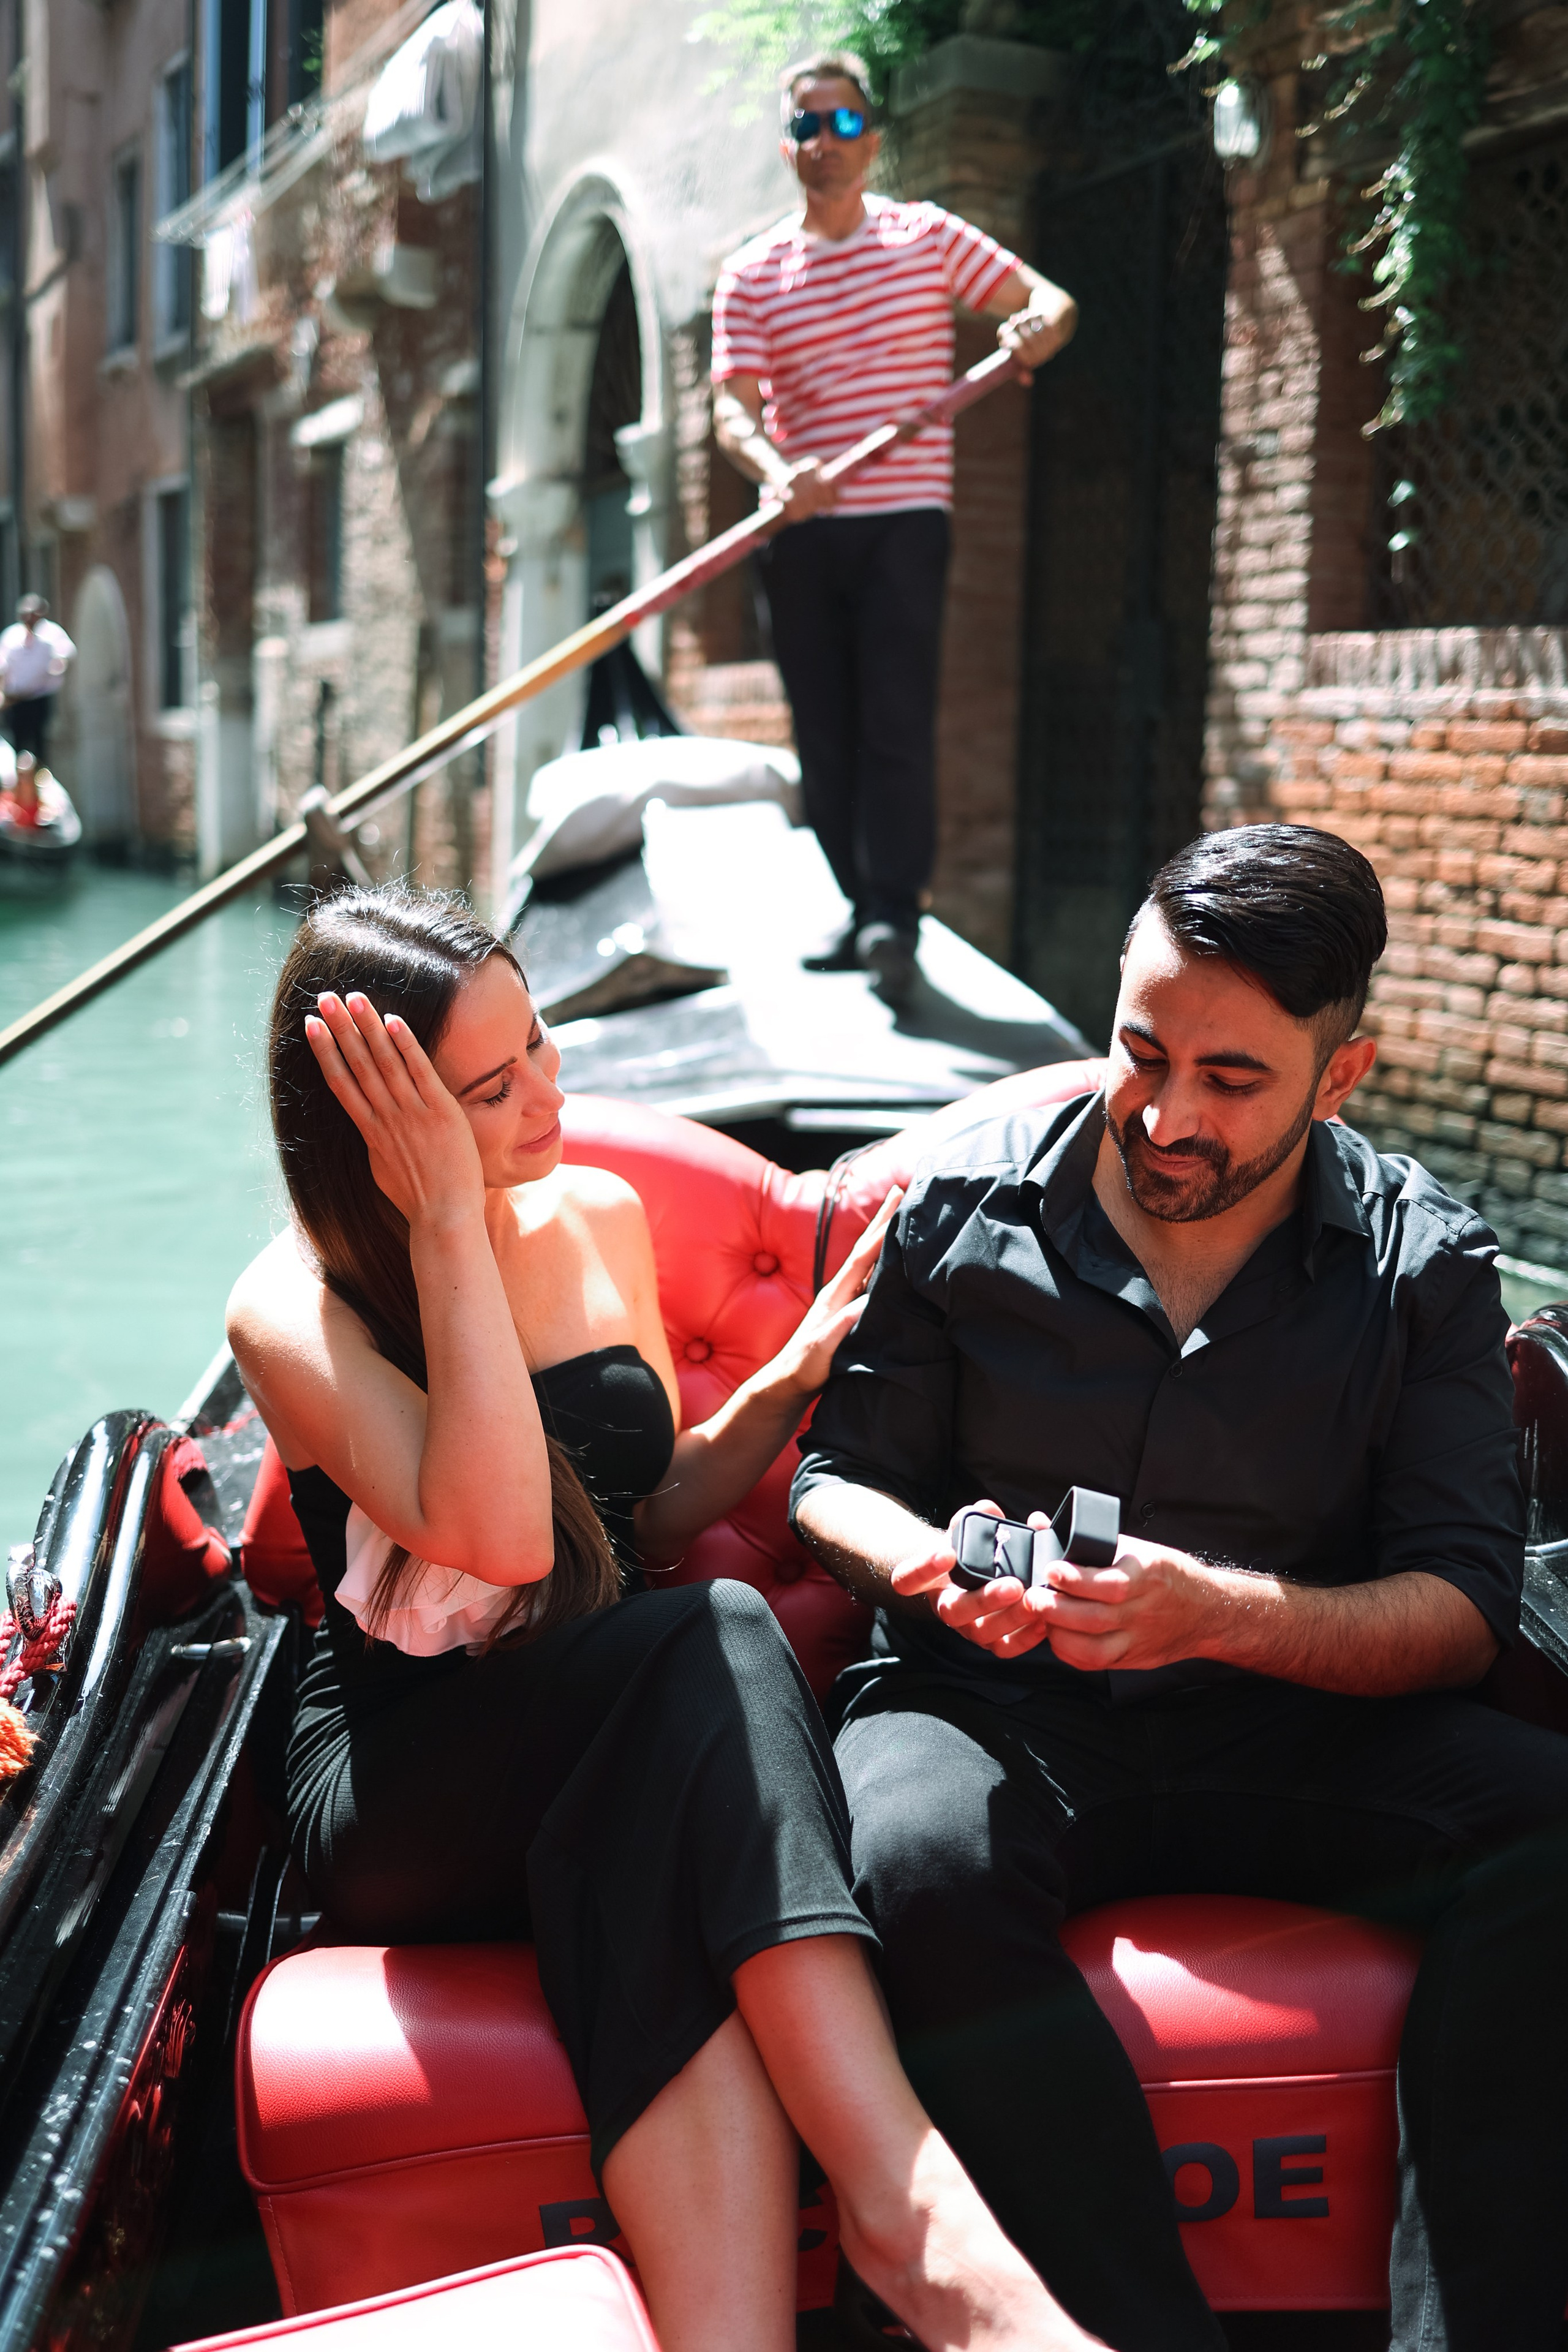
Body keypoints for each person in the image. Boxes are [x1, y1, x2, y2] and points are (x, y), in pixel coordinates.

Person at [225, 883, 1109, 2352]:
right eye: (490, 1087)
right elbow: (503, 1534)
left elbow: (651, 1510)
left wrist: (788, 1378)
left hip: (611, 1727)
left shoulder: (602, 1214)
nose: (550, 1092)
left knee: (675, 1735)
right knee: (714, 1638)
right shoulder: (293, 1304)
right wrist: (449, 1218)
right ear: (384, 1123)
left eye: (544, 1046)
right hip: (407, 1774)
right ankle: (911, 2222)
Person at [791, 823, 1568, 2352]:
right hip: (992, 1697)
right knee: (911, 1858)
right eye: (1138, 1050)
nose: (1161, 1115)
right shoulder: (955, 1207)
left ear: (1337, 1077)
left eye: (1229, 1081)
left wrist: (1214, 1611)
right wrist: (925, 1567)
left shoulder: (1426, 1268)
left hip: (1287, 1719)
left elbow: (1460, 1606)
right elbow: (833, 1483)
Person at [712, 50, 1076, 1008]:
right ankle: (861, 904)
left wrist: (1034, 328)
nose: (823, 145)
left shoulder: (928, 238)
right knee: (823, 734)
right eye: (805, 127)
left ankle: (892, 920)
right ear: (788, 144)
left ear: (870, 140)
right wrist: (777, 470)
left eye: (840, 126)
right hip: (802, 524)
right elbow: (732, 413)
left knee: (895, 725)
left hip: (906, 517)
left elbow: (1051, 303)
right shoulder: (750, 273)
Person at [0, 596, 75, 764]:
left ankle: (41, 776)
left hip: (39, 698)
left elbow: (65, 655)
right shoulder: (11, 636)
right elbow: (3, 666)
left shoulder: (52, 633)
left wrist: (56, 668)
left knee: (39, 741)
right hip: (16, 700)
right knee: (17, 742)